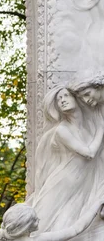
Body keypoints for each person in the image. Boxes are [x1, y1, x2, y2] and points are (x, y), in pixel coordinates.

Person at [30, 86, 103, 231]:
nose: (62, 101)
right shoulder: (62, 130)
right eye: (59, 99)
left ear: (76, 98)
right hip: (64, 182)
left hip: (83, 181)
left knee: (69, 223)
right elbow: (89, 153)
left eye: (65, 96)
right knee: (42, 223)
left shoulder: (88, 126)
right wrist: (101, 129)